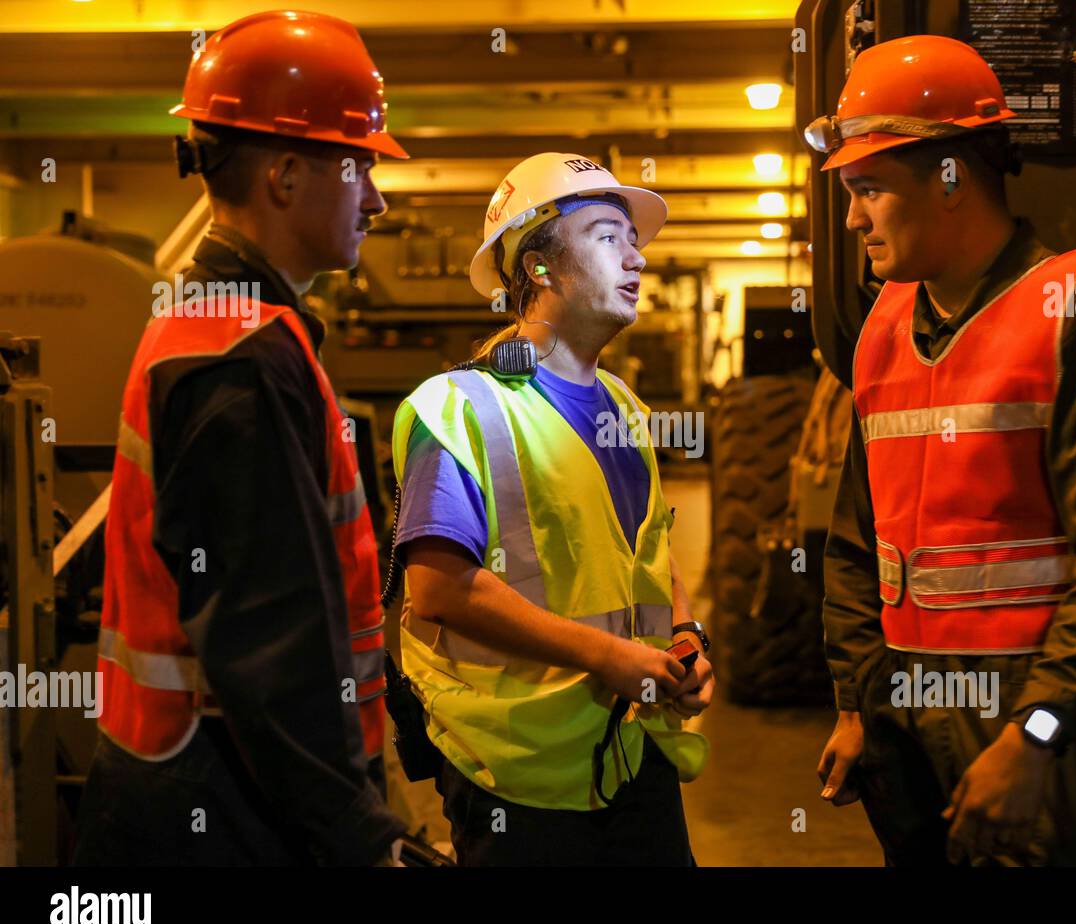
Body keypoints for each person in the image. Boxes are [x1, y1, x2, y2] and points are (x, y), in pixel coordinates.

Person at [805, 35, 1076, 865]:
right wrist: (856, 702)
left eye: (869, 189)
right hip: (905, 718)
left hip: (1039, 723)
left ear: (949, 179)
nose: (851, 218)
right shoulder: (882, 329)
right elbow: (854, 542)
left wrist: (1038, 736)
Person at [75, 10, 410, 866]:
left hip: (196, 783)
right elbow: (273, 647)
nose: (375, 197)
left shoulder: (221, 326)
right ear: (289, 174)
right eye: (358, 164)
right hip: (223, 806)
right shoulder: (241, 359)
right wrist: (365, 840)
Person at [388, 152, 712, 865]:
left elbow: (650, 546)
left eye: (635, 240)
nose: (635, 258)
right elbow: (438, 588)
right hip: (517, 772)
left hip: (634, 748)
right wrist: (610, 656)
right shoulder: (459, 406)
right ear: (537, 268)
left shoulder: (624, 405)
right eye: (607, 236)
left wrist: (685, 635)